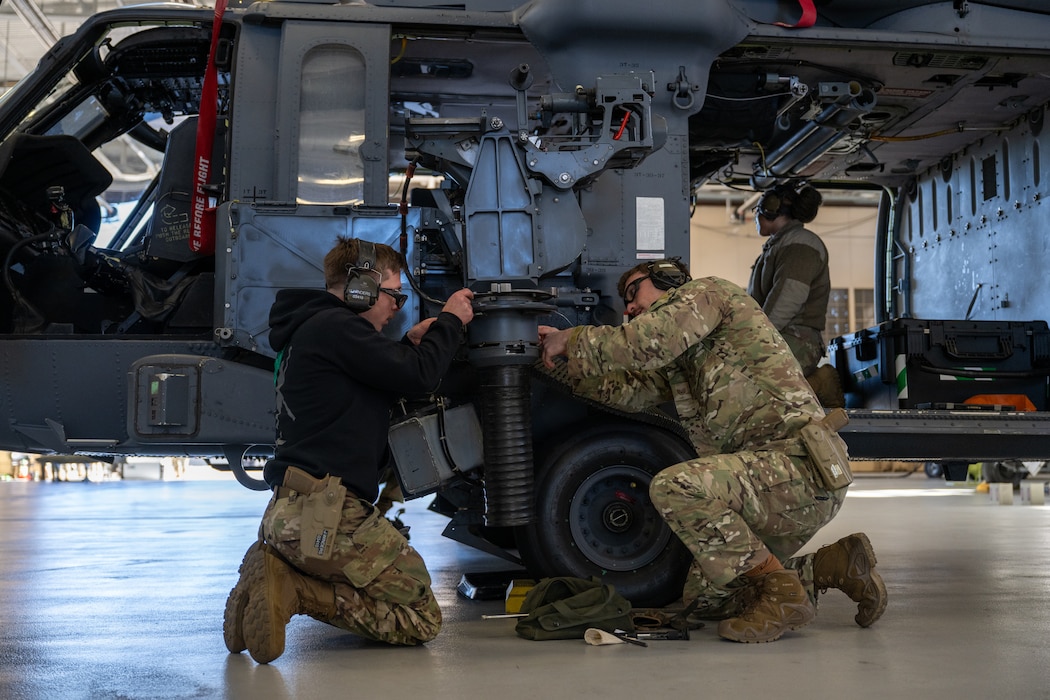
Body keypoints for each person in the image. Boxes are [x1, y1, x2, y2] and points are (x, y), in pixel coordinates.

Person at [538, 259, 886, 643]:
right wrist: (557, 364)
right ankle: (833, 565)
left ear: (668, 278)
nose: (630, 307)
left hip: (798, 467)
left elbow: (648, 342)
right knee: (706, 596)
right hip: (772, 479)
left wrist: (572, 339)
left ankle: (783, 594)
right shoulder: (684, 355)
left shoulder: (708, 293)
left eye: (634, 291)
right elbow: (629, 391)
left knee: (675, 487)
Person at [223, 236, 475, 664]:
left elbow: (369, 380)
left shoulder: (311, 330)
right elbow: (419, 376)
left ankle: (274, 571)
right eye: (394, 294)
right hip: (328, 516)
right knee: (421, 616)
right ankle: (295, 589)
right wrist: (451, 321)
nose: (397, 306)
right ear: (361, 287)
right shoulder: (337, 328)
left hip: (293, 511)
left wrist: (409, 345)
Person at [747, 183, 832, 377]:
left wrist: (757, 337)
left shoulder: (800, 244)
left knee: (749, 379)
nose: (756, 216)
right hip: (781, 334)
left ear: (770, 211)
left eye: (758, 210)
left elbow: (787, 298)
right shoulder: (781, 244)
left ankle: (819, 385)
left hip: (796, 337)